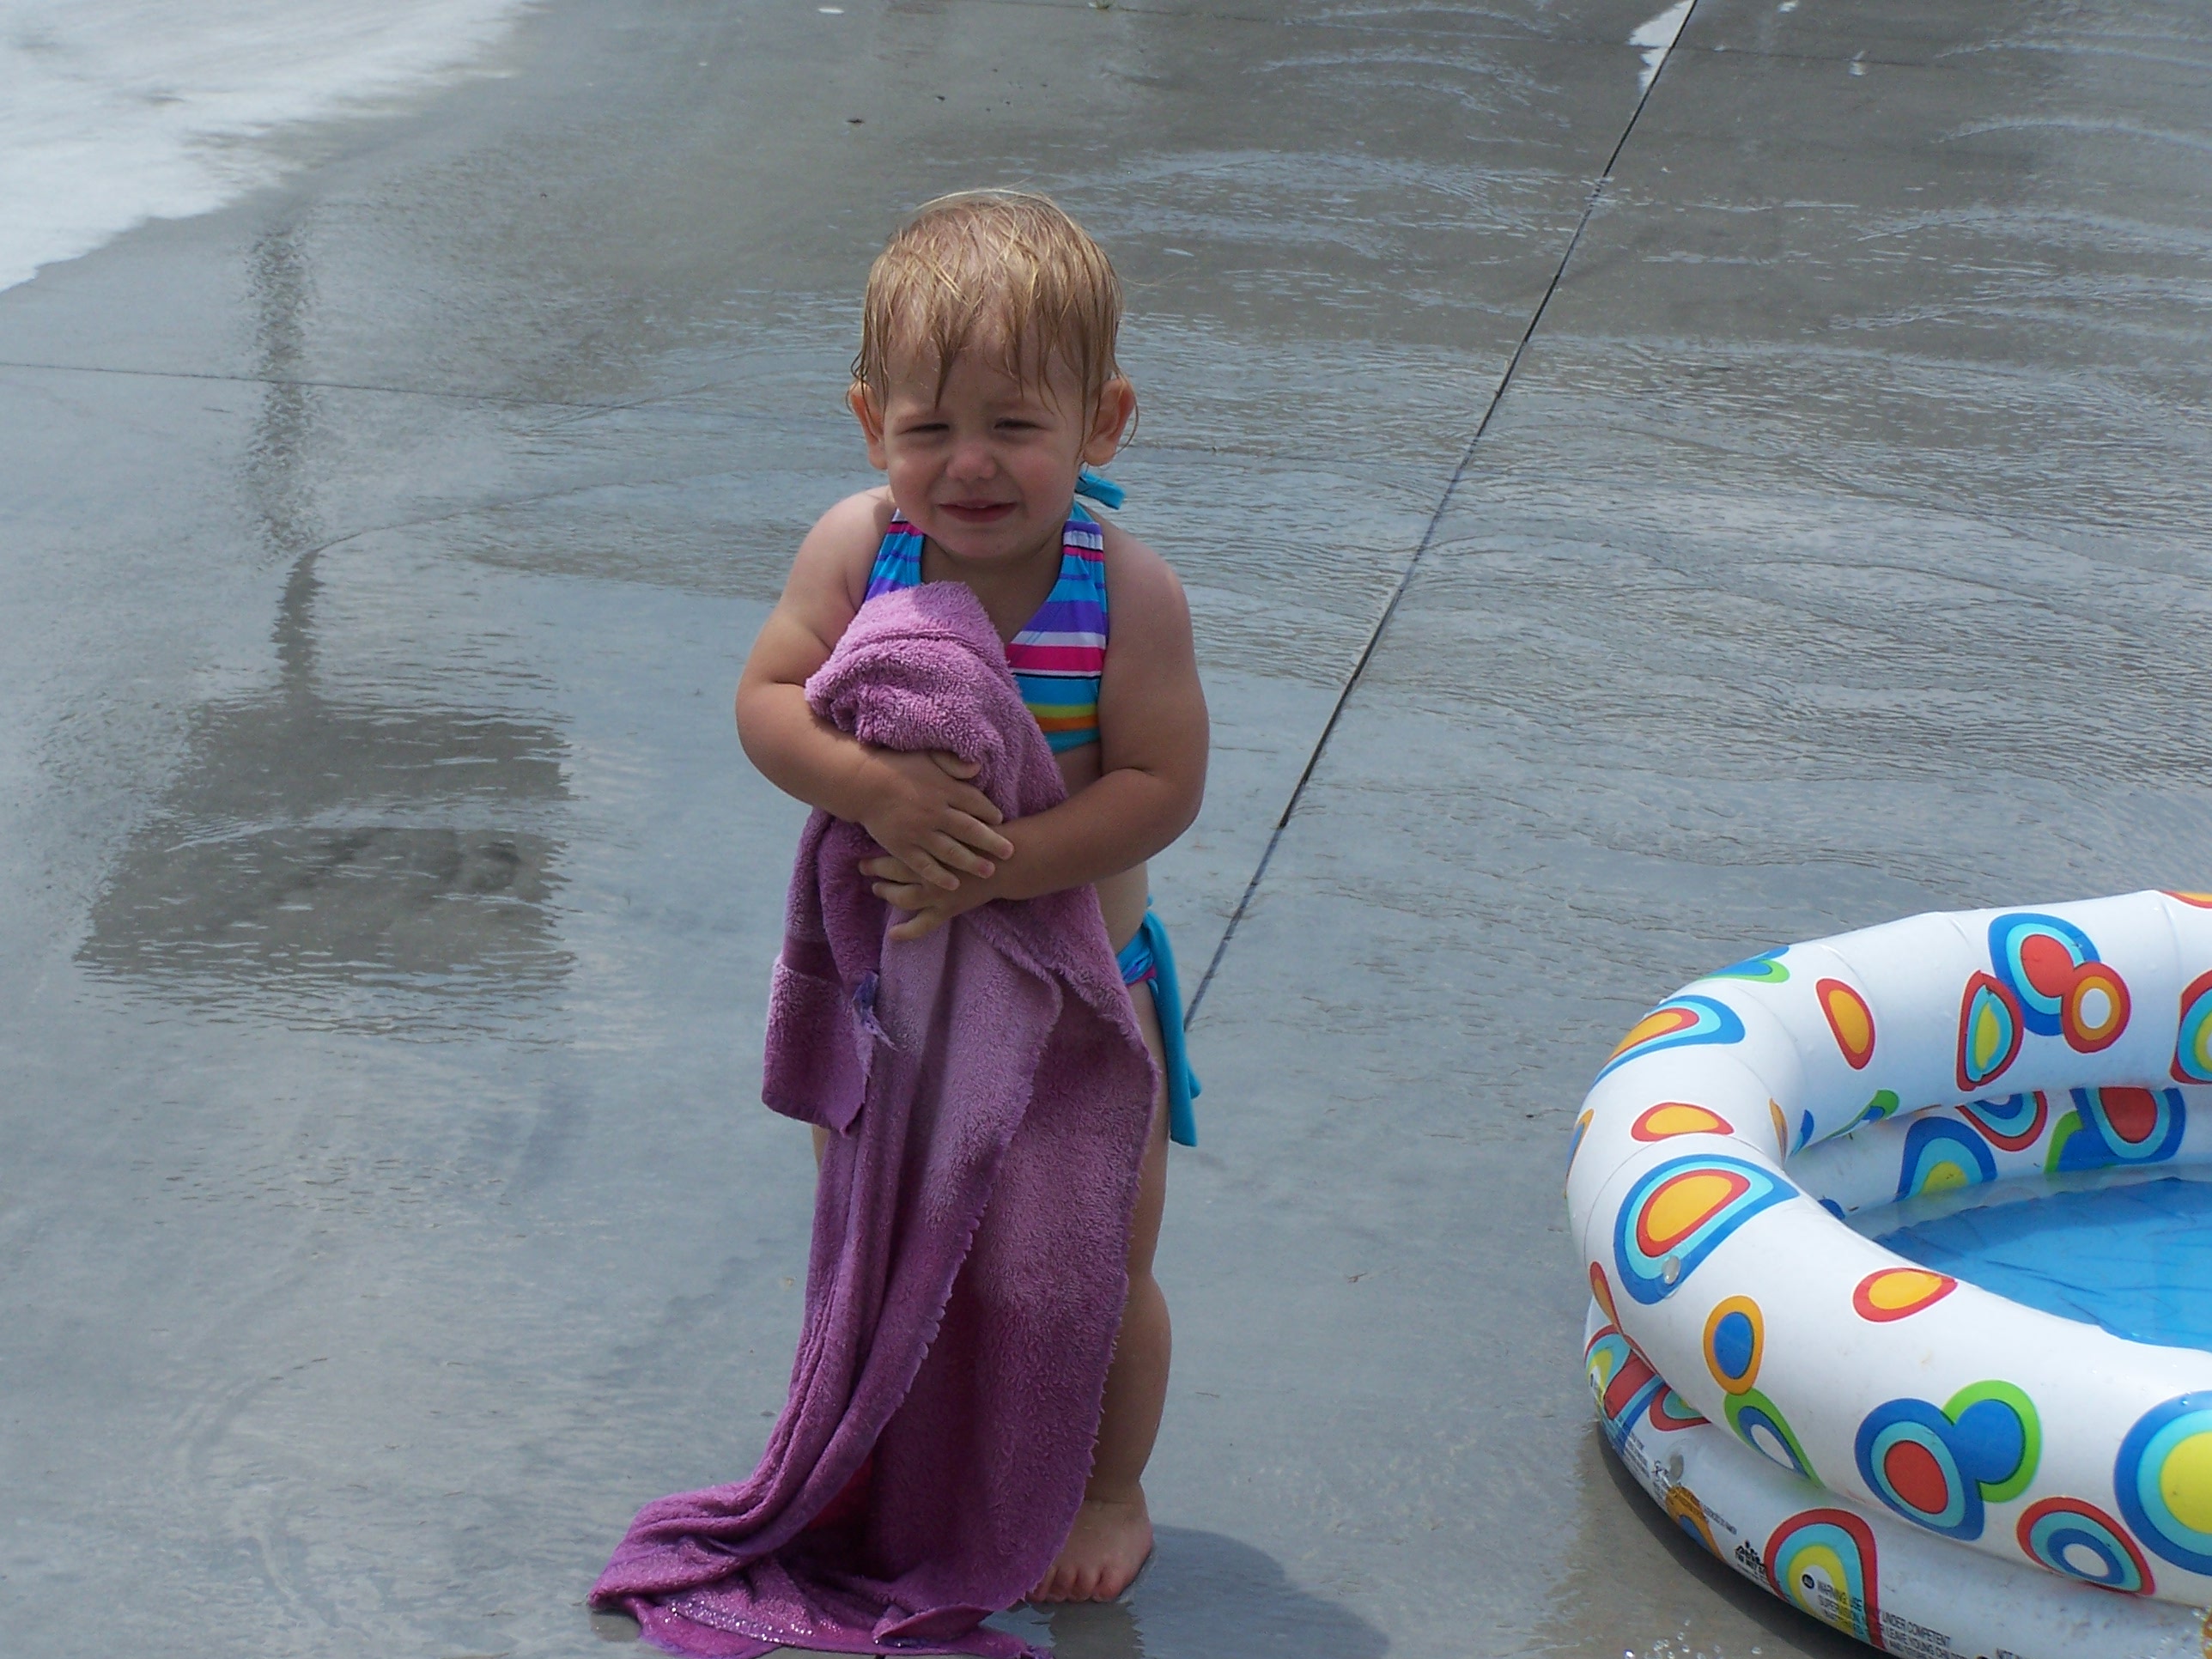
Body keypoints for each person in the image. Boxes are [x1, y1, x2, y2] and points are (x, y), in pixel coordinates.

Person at [733, 190, 1209, 1605]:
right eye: (930, 426)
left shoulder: (1123, 592)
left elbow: (1162, 785)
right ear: (869, 421)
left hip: (1082, 1006)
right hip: (901, 1007)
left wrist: (998, 866)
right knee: (884, 1253)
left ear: (1103, 421)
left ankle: (1107, 1489)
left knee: (1087, 1269)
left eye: (1015, 422)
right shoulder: (856, 549)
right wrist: (872, 791)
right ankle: (893, 1453)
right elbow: (767, 700)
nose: (972, 462)